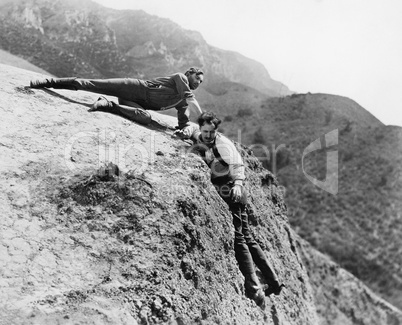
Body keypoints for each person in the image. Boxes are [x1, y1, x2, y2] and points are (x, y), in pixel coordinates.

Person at [175, 112, 284, 307]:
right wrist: (185, 131)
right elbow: (191, 128)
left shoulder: (224, 145)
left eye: (212, 131)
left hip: (232, 190)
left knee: (241, 238)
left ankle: (254, 287)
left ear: (216, 130)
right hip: (222, 187)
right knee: (248, 237)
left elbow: (238, 166)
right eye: (205, 131)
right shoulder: (198, 133)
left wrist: (237, 185)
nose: (208, 135)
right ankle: (274, 283)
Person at [29, 67, 204, 129]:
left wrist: (184, 129)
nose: (198, 83)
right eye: (197, 78)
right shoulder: (181, 78)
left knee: (145, 118)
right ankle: (47, 82)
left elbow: (183, 121)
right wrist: (203, 119)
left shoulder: (182, 101)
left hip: (134, 103)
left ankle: (108, 105)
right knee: (91, 84)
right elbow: (191, 100)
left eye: (201, 82)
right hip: (132, 87)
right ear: (190, 74)